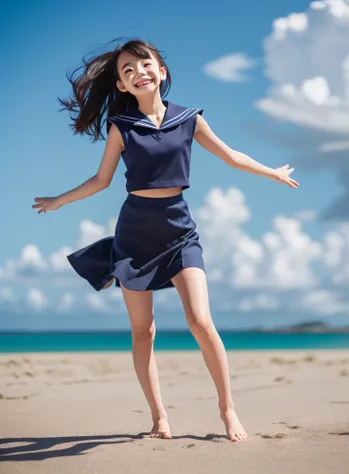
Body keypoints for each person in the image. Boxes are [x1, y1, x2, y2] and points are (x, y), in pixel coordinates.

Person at [32, 38, 299, 442]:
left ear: (161, 72)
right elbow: (102, 180)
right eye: (127, 71)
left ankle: (227, 410)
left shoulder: (189, 119)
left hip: (179, 231)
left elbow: (230, 155)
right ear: (122, 86)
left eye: (143, 64)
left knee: (201, 321)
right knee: (144, 331)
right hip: (135, 233)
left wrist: (271, 172)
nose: (137, 72)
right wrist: (59, 201)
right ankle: (159, 418)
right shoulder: (122, 127)